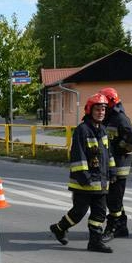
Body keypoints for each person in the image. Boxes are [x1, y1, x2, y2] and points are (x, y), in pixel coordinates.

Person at [49, 93, 116, 253]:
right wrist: (84, 177)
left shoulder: (103, 130)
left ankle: (95, 242)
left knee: (99, 213)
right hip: (84, 183)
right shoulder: (82, 130)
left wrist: (112, 171)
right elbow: (77, 155)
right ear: (89, 110)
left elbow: (108, 154)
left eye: (103, 110)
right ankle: (59, 228)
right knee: (79, 212)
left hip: (100, 182)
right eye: (98, 109)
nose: (101, 112)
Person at [99, 87, 132, 240]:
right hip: (111, 164)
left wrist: (119, 150)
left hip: (119, 166)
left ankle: (112, 228)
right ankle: (122, 227)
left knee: (114, 199)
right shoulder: (109, 117)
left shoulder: (120, 119)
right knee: (114, 198)